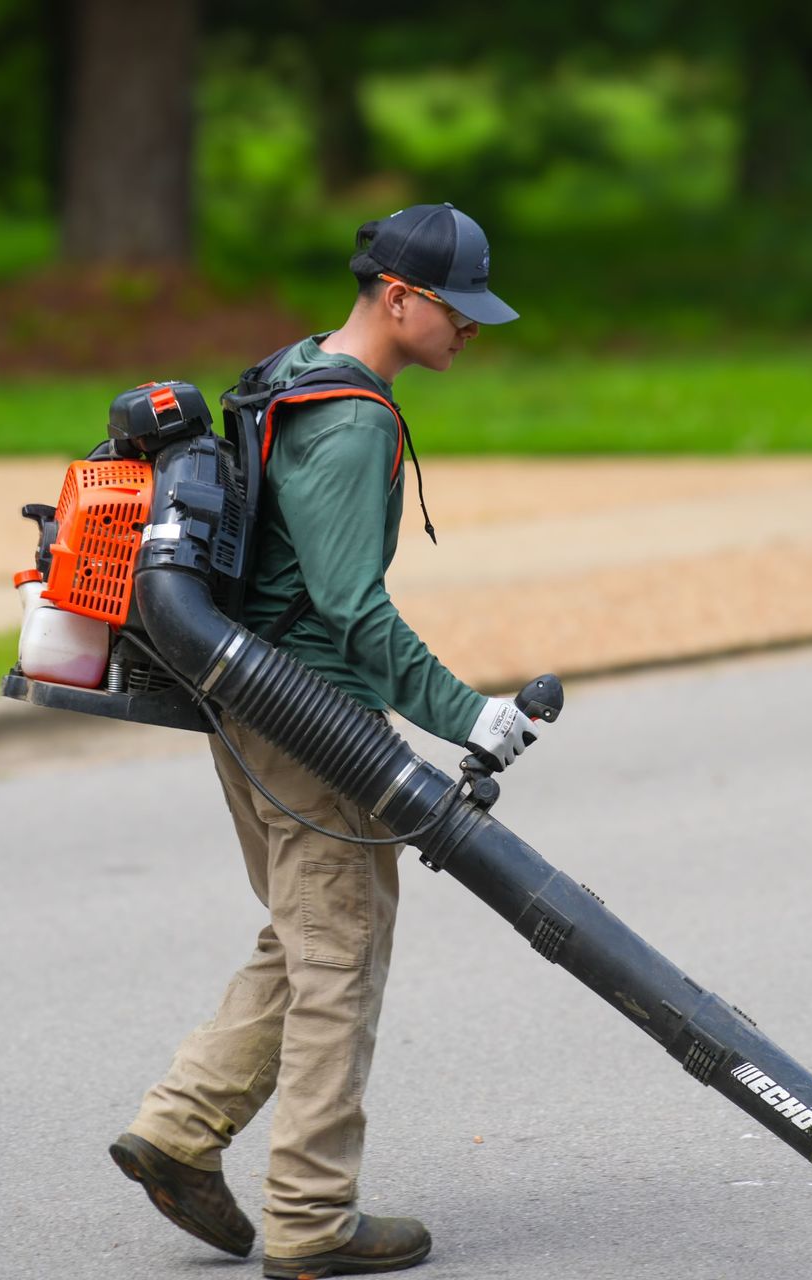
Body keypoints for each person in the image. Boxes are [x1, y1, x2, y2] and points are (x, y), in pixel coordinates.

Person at [107, 203, 538, 1279]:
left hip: (245, 704)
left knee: (307, 935)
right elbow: (353, 610)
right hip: (314, 723)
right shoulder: (352, 423)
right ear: (399, 296)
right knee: (340, 953)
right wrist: (468, 713)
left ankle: (180, 1125)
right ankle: (309, 1214)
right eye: (459, 311)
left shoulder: (290, 369)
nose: (472, 332)